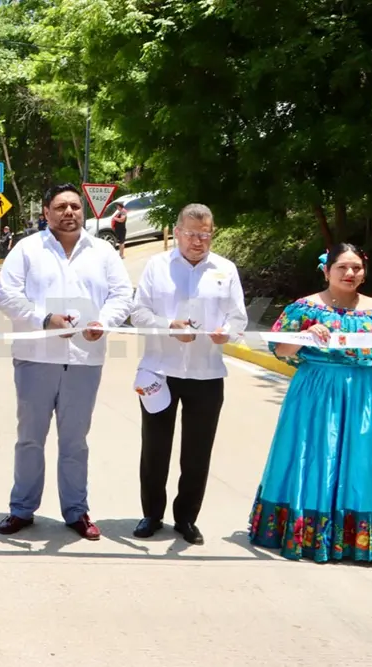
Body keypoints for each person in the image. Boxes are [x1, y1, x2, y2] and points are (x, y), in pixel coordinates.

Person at [247, 244, 372, 563]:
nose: (350, 274)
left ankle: (358, 539)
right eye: (343, 267)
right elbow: (282, 351)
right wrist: (305, 332)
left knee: (364, 457)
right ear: (326, 270)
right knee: (314, 455)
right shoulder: (305, 308)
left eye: (357, 268)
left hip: (366, 391)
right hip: (316, 390)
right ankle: (307, 532)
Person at [0, 183, 133, 540]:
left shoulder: (102, 252)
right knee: (30, 439)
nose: (69, 212)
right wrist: (44, 319)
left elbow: (121, 296)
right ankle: (22, 509)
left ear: (82, 211)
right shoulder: (26, 249)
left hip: (85, 361)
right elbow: (8, 296)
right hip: (35, 358)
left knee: (75, 441)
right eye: (60, 207)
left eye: (74, 206)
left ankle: (76, 510)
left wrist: (105, 322)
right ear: (46, 212)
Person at [130, 204, 248, 545]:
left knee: (197, 452)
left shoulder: (225, 269)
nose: (199, 241)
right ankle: (151, 514)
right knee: (155, 448)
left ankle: (186, 518)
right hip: (160, 371)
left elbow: (238, 318)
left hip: (207, 373)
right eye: (193, 234)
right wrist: (168, 326)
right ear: (178, 231)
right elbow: (139, 314)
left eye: (206, 234)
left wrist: (228, 331)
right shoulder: (157, 266)